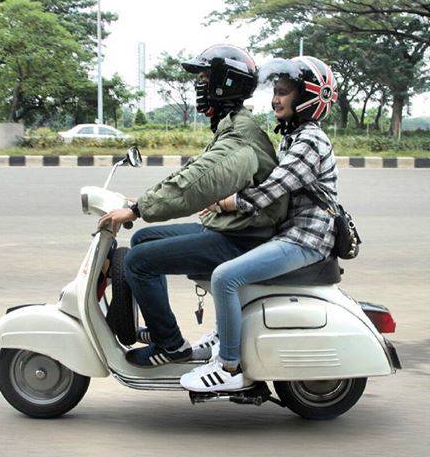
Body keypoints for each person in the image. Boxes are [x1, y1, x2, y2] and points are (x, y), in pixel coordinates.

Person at [98, 44, 288, 370]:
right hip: (235, 227)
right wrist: (140, 202)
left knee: (139, 261)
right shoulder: (232, 125)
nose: (199, 85)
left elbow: (195, 184)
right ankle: (161, 327)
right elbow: (192, 173)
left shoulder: (240, 138)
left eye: (204, 78)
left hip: (244, 238)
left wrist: (138, 211)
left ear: (224, 83)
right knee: (142, 240)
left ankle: (170, 345)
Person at [180, 55, 340, 392]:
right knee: (227, 259)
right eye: (275, 91)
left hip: (305, 240)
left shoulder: (310, 141)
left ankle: (229, 366)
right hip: (290, 233)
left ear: (306, 98)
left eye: (283, 92)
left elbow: (272, 189)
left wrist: (227, 202)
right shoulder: (293, 135)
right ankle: (225, 335)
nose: (275, 99)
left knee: (225, 277)